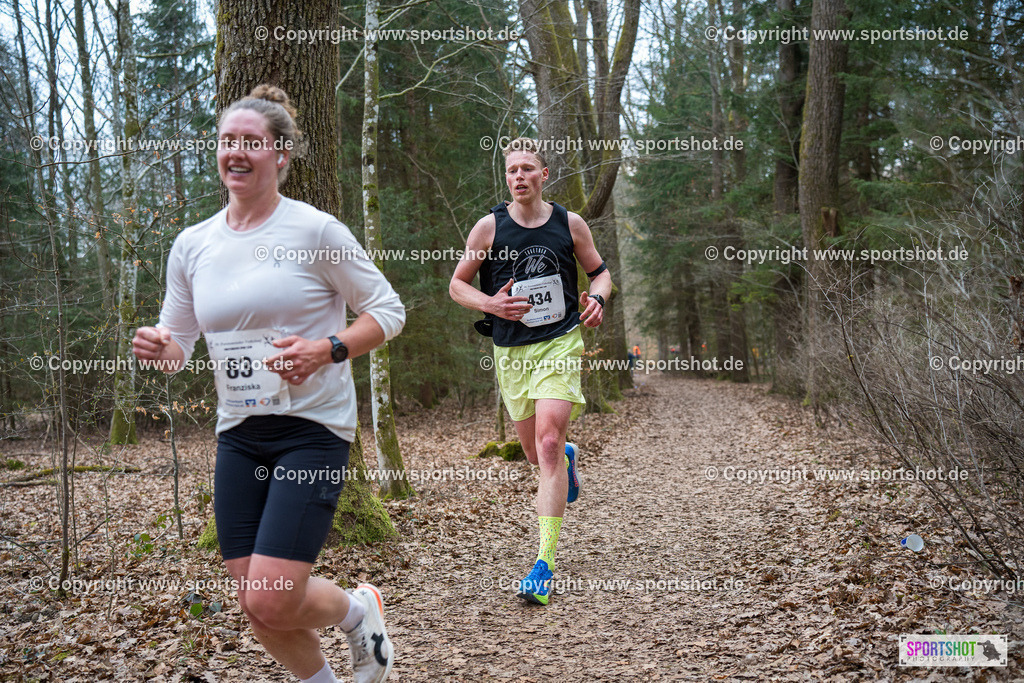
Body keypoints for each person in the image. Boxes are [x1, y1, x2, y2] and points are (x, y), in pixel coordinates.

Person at [132, 85, 402, 683]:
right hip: (239, 433)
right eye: (228, 141)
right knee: (259, 603)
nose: (236, 152)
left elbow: (388, 310)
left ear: (280, 154)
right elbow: (178, 343)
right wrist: (159, 346)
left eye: (251, 143)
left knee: (273, 597)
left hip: (313, 430)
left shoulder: (316, 230)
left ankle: (359, 613)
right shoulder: (194, 244)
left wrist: (327, 349)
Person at [449, 137, 612, 605]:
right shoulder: (488, 229)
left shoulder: (569, 224)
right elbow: (457, 284)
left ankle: (544, 563)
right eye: (511, 170)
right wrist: (491, 303)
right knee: (535, 453)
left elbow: (601, 272)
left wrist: (598, 297)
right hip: (511, 352)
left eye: (527, 168)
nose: (518, 176)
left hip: (559, 342)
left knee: (547, 442)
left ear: (543, 175)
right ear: (506, 179)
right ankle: (567, 462)